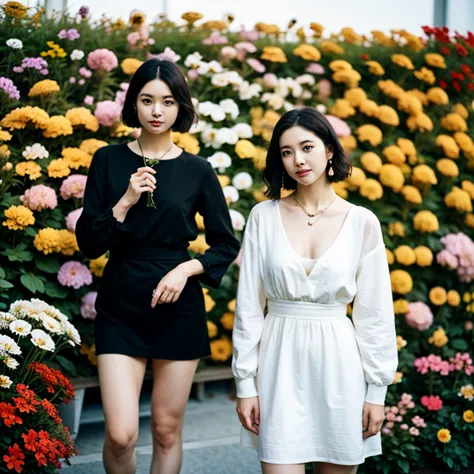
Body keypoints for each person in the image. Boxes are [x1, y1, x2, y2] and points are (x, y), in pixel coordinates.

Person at [76, 59, 240, 474]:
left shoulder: (198, 170)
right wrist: (126, 200)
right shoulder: (108, 160)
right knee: (121, 435)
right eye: (147, 100)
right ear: (134, 104)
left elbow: (225, 244)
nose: (156, 111)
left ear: (179, 107)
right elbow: (89, 242)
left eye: (167, 102)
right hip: (121, 303)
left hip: (177, 303)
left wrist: (186, 270)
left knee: (167, 431)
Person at [232, 107, 398, 474]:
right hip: (277, 362)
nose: (298, 160)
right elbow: (248, 307)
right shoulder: (263, 216)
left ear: (329, 150)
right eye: (286, 152)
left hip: (340, 365)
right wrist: (245, 383)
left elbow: (375, 314)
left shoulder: (361, 222)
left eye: (307, 147)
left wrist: (376, 393)